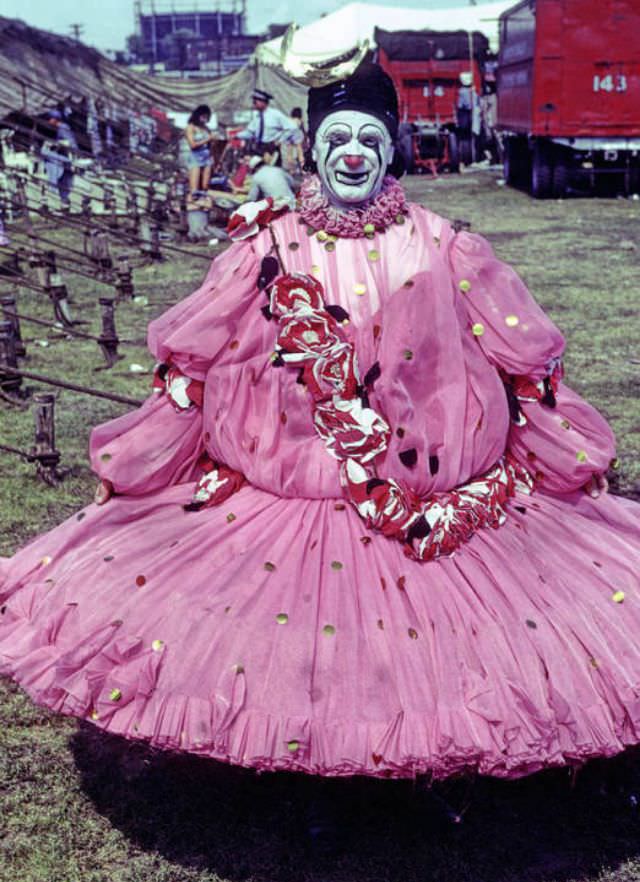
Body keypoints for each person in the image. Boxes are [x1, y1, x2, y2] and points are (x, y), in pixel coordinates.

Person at [2, 61, 640, 789]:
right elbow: (195, 367)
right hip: (291, 492)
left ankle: (426, 764)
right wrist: (146, 459)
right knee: (299, 644)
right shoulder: (263, 252)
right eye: (338, 137)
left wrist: (563, 457)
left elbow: (526, 363)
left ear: (394, 148)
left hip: (430, 499)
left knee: (436, 646)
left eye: (371, 137)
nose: (354, 153)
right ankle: (310, 782)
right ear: (311, 148)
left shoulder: (447, 247)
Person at [237, 89, 302, 157]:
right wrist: (237, 136)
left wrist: (279, 140)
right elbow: (250, 132)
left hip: (271, 149)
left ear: (263, 102)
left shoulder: (275, 114)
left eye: (255, 101)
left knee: (271, 167)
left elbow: (292, 127)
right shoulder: (256, 116)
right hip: (258, 148)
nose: (254, 103)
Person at [40, 109, 77, 208]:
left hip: (68, 156)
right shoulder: (58, 128)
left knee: (47, 155)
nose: (48, 122)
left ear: (55, 119)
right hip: (62, 154)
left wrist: (58, 144)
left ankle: (54, 188)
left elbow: (71, 144)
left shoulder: (63, 128)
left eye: (50, 119)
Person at [184, 104, 215, 198]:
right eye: (203, 117)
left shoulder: (206, 128)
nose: (205, 119)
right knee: (194, 189)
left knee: (205, 186)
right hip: (195, 157)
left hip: (207, 157)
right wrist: (208, 139)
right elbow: (192, 145)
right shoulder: (191, 127)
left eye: (207, 117)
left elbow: (210, 145)